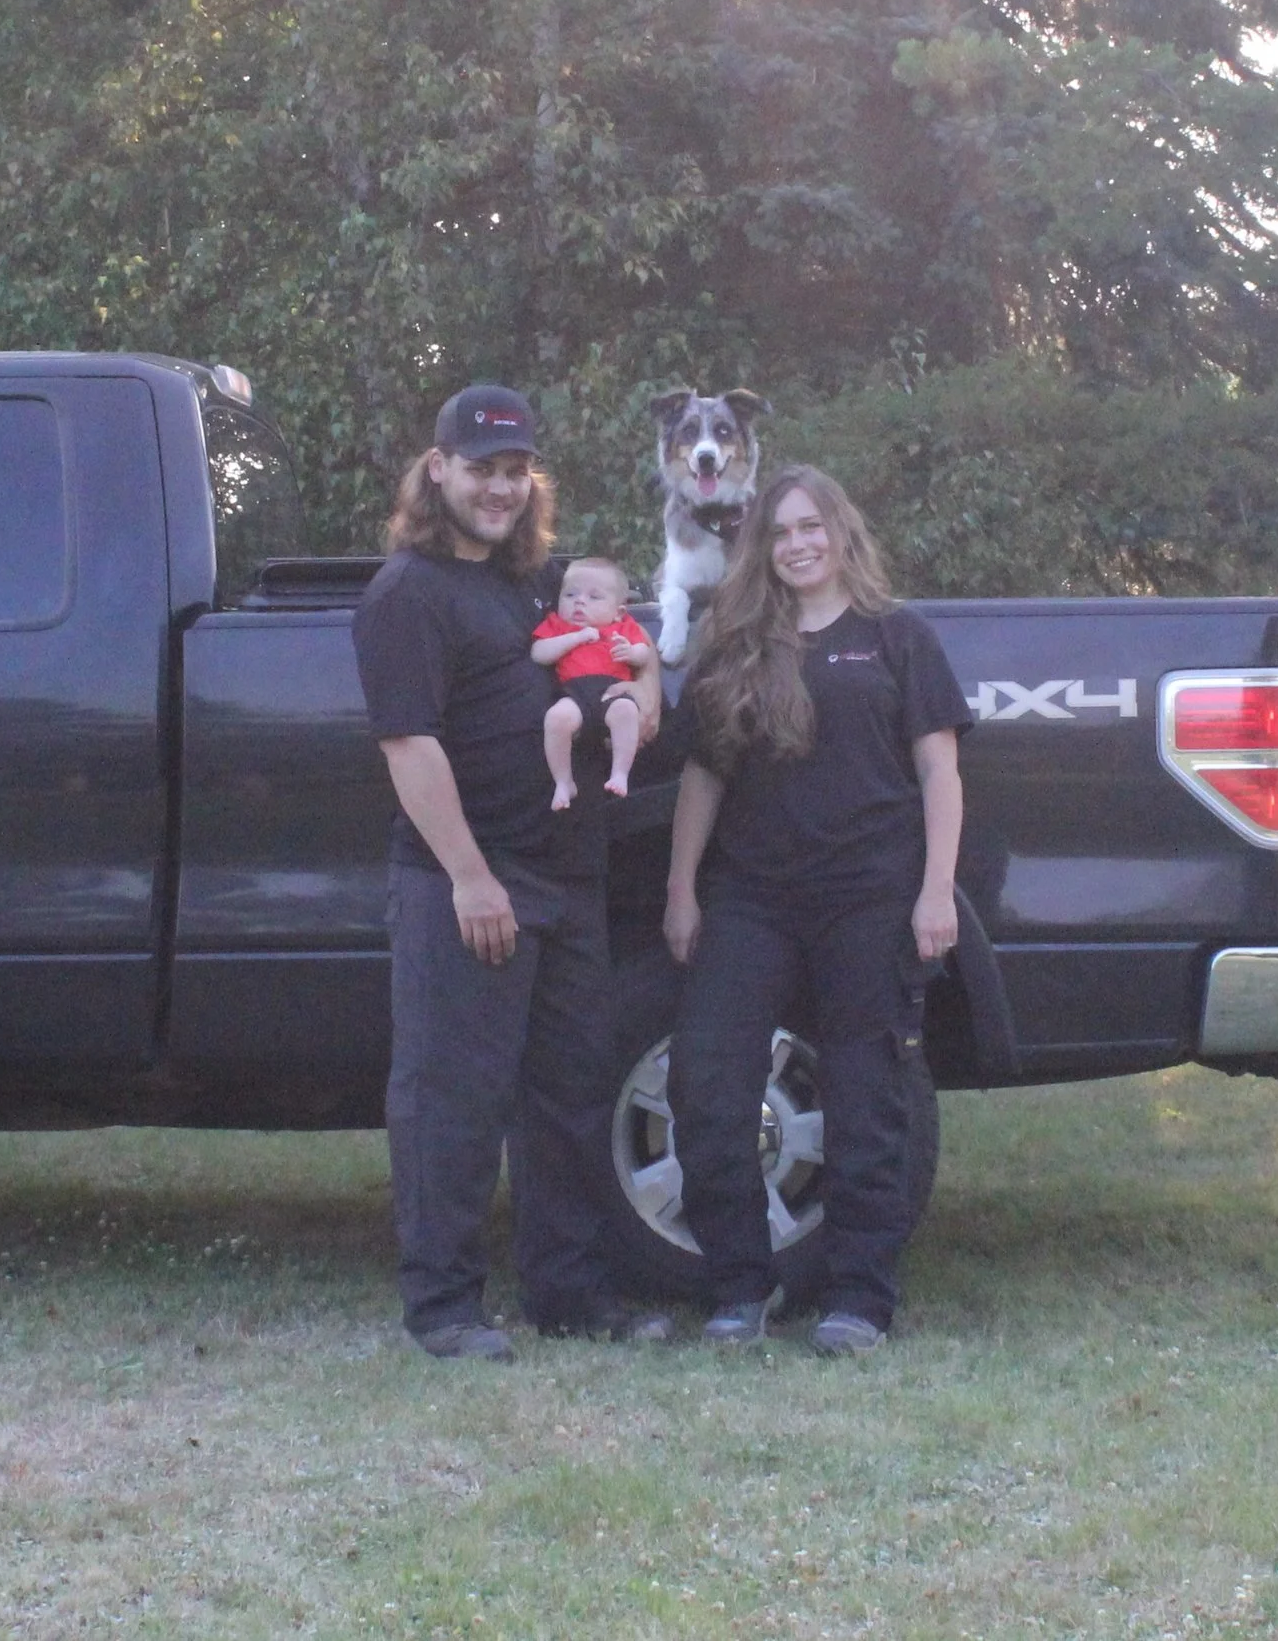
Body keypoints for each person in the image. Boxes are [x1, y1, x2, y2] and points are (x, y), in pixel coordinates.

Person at [351, 385, 670, 1361]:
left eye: (512, 471)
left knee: (568, 1096)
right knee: (452, 1097)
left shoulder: (537, 586)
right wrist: (468, 877)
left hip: (565, 884)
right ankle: (443, 1309)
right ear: (436, 469)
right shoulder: (407, 594)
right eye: (479, 468)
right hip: (471, 885)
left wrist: (645, 694)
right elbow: (409, 746)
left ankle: (567, 1295)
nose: (497, 488)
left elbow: (630, 658)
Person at [660, 466, 970, 1356]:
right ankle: (738, 1288)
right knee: (706, 1082)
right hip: (749, 899)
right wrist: (682, 888)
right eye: (780, 531)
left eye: (811, 527)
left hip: (869, 898)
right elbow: (703, 774)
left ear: (840, 533)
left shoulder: (897, 637)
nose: (798, 544)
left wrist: (936, 888)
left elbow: (939, 772)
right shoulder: (737, 645)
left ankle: (859, 1298)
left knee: (869, 1094)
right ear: (761, 545)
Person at [530, 557, 654, 809]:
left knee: (626, 711)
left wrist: (631, 653)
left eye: (594, 597)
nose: (579, 601)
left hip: (612, 690)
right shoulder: (558, 625)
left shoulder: (623, 627)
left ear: (618, 611)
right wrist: (576, 638)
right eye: (571, 594)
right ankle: (564, 782)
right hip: (574, 693)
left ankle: (620, 772)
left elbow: (645, 653)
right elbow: (539, 653)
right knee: (556, 719)